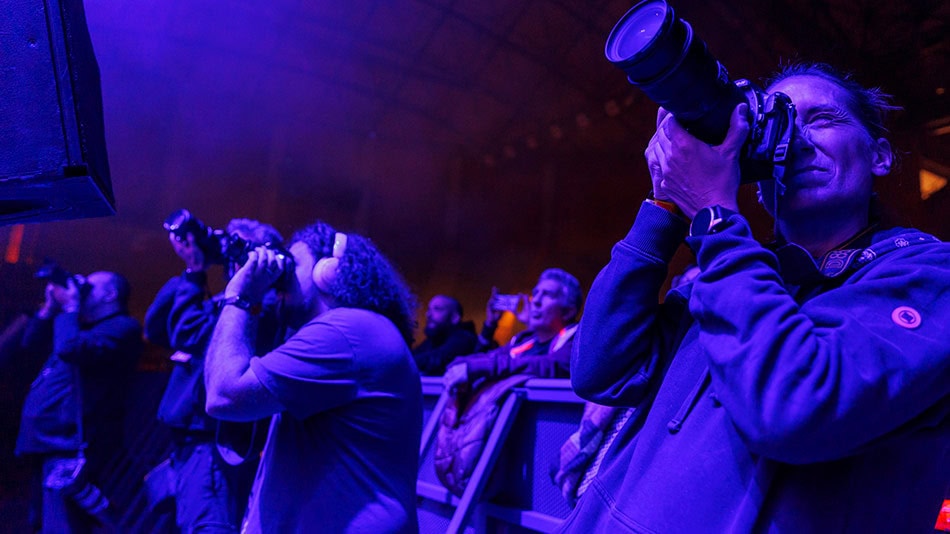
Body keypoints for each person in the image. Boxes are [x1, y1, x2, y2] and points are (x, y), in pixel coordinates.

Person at [560, 62, 950, 532]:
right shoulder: (733, 277)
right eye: (776, 124)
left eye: (823, 119)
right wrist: (664, 207)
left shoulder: (930, 274)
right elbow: (599, 369)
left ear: (880, 156)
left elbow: (793, 407)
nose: (799, 140)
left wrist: (715, 215)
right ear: (755, 172)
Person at [203, 221, 421, 533]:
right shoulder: (353, 332)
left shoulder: (346, 332)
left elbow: (224, 394)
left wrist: (239, 295)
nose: (281, 281)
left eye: (291, 266)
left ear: (328, 271)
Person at [144, 218, 284, 533]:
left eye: (236, 246)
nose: (226, 253)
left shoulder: (258, 306)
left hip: (212, 449)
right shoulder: (227, 301)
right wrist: (193, 270)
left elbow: (188, 333)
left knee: (208, 524)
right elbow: (155, 327)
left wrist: (196, 272)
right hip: (188, 443)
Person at [16, 270, 143, 533]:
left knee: (62, 526)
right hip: (46, 443)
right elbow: (29, 346)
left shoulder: (123, 327)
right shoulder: (79, 327)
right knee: (38, 524)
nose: (82, 291)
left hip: (73, 446)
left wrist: (71, 307)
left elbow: (71, 350)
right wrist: (50, 309)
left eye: (90, 287)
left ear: (111, 295)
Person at [443, 268, 582, 391]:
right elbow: (487, 358)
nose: (536, 300)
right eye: (536, 293)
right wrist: (463, 364)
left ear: (568, 312)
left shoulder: (577, 340)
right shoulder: (523, 341)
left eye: (547, 295)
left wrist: (477, 368)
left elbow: (551, 366)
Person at [412, 295, 477, 376]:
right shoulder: (432, 340)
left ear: (455, 318)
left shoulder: (464, 338)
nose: (428, 314)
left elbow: (438, 360)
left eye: (437, 309)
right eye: (429, 309)